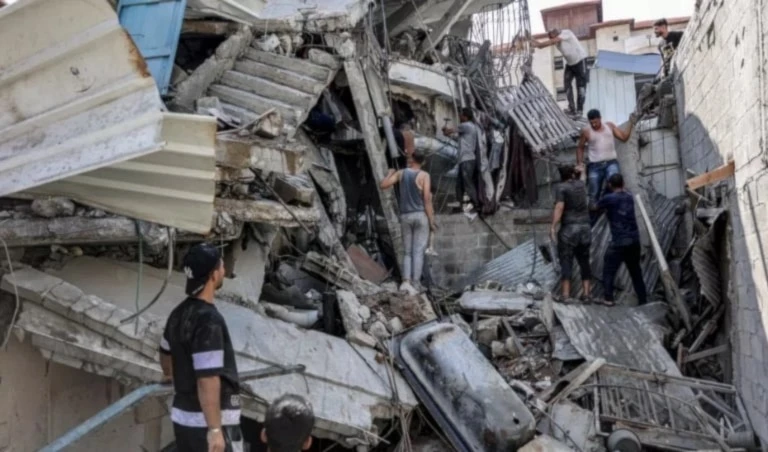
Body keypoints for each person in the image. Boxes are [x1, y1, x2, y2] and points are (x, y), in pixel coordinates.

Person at [160, 243, 243, 452]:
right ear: (213, 275)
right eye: (221, 266)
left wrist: (170, 374)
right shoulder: (208, 320)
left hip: (184, 418)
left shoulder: (178, 314)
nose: (224, 269)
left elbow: (165, 353)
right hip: (205, 423)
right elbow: (207, 378)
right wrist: (215, 430)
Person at [381, 150, 436, 294]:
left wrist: (389, 173)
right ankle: (416, 284)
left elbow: (384, 185)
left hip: (405, 216)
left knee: (407, 252)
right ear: (423, 162)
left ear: (412, 159)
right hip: (420, 216)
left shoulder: (401, 173)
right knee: (418, 252)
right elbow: (427, 200)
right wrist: (431, 221)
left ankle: (406, 282)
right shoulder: (424, 176)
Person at [592, 173, 647, 306]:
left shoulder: (609, 198)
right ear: (623, 183)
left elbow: (594, 207)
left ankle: (609, 299)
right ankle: (643, 300)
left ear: (610, 185)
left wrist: (604, 190)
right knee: (635, 272)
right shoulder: (629, 197)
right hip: (634, 241)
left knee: (609, 270)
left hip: (619, 242)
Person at [577, 109, 636, 224]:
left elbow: (624, 137)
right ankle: (592, 225)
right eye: (591, 123)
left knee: (616, 186)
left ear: (600, 118)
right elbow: (580, 147)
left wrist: (630, 123)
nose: (594, 125)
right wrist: (580, 164)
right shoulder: (586, 131)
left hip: (611, 163)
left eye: (596, 122)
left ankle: (617, 215)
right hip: (594, 166)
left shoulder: (609, 126)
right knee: (593, 195)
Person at [550, 164, 592, 303]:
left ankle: (566, 295)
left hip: (569, 228)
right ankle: (586, 294)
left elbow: (560, 206)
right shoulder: (581, 184)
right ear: (573, 174)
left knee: (566, 261)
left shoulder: (561, 188)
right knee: (584, 262)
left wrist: (553, 226)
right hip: (585, 228)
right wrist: (581, 170)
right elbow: (583, 174)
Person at [531, 29, 590, 116]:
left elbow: (544, 44)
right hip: (570, 64)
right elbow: (542, 45)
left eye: (553, 36)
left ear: (556, 33)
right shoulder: (556, 41)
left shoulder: (566, 33)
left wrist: (538, 44)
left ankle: (580, 110)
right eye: (551, 37)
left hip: (581, 61)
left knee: (581, 86)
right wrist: (530, 39)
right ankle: (572, 108)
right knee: (567, 84)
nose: (553, 40)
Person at [443, 107, 481, 213]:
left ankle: (476, 204)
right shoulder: (468, 128)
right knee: (459, 184)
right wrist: (448, 134)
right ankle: (459, 205)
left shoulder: (466, 125)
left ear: (465, 116)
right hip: (464, 160)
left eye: (461, 114)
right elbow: (457, 137)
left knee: (467, 182)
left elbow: (451, 130)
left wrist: (446, 131)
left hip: (467, 160)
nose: (459, 116)